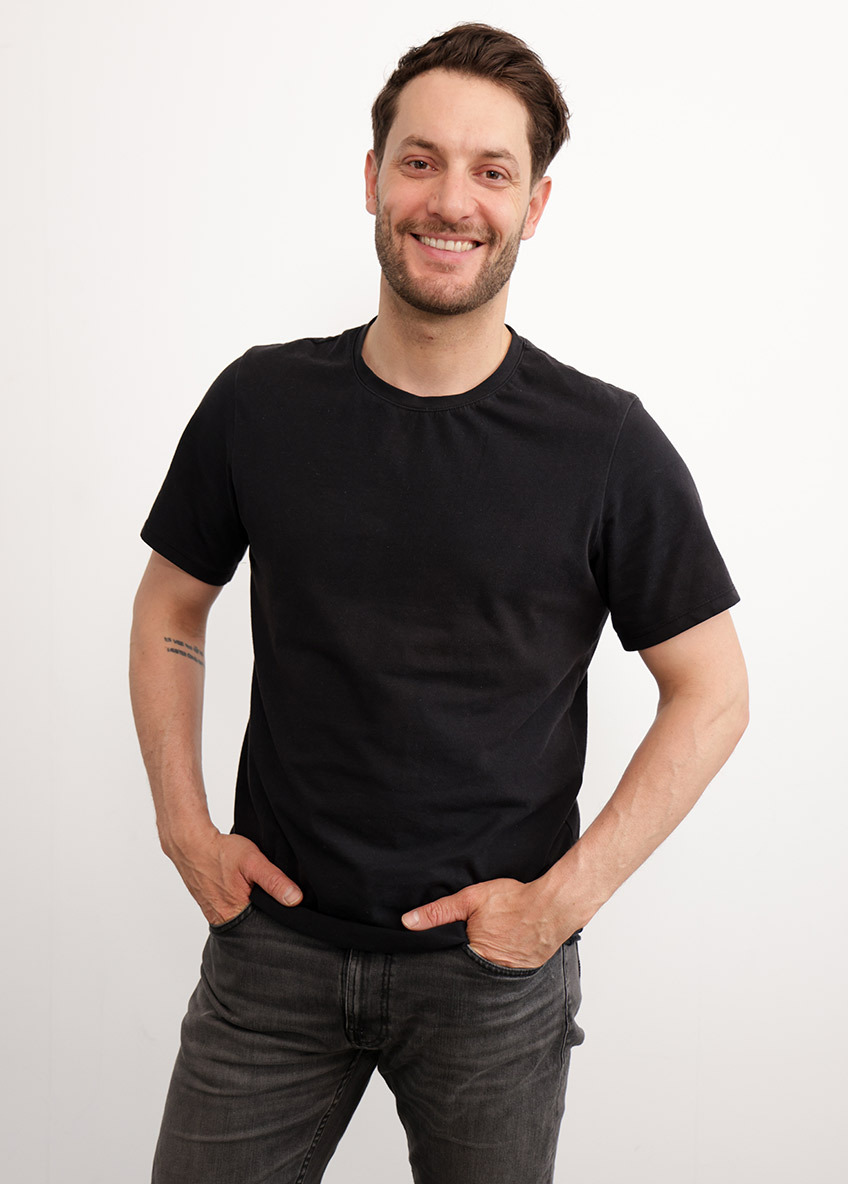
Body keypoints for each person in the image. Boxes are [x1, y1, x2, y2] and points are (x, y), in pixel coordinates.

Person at [130, 22, 748, 1184]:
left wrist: (558, 904)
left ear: (533, 204)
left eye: (490, 171)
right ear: (372, 177)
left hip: (490, 983)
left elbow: (711, 689)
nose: (450, 200)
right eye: (419, 161)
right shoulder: (260, 402)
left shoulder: (603, 443)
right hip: (272, 956)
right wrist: (181, 824)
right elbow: (171, 602)